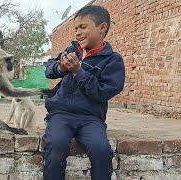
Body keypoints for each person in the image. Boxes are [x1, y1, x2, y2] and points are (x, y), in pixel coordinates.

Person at [43, 5, 125, 180]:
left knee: (101, 149)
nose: (78, 33)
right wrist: (60, 67)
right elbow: (49, 69)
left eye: (83, 27)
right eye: (76, 29)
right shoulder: (72, 51)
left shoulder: (113, 60)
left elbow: (103, 92)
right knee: (56, 145)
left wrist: (78, 72)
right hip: (61, 114)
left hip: (91, 118)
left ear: (102, 28)